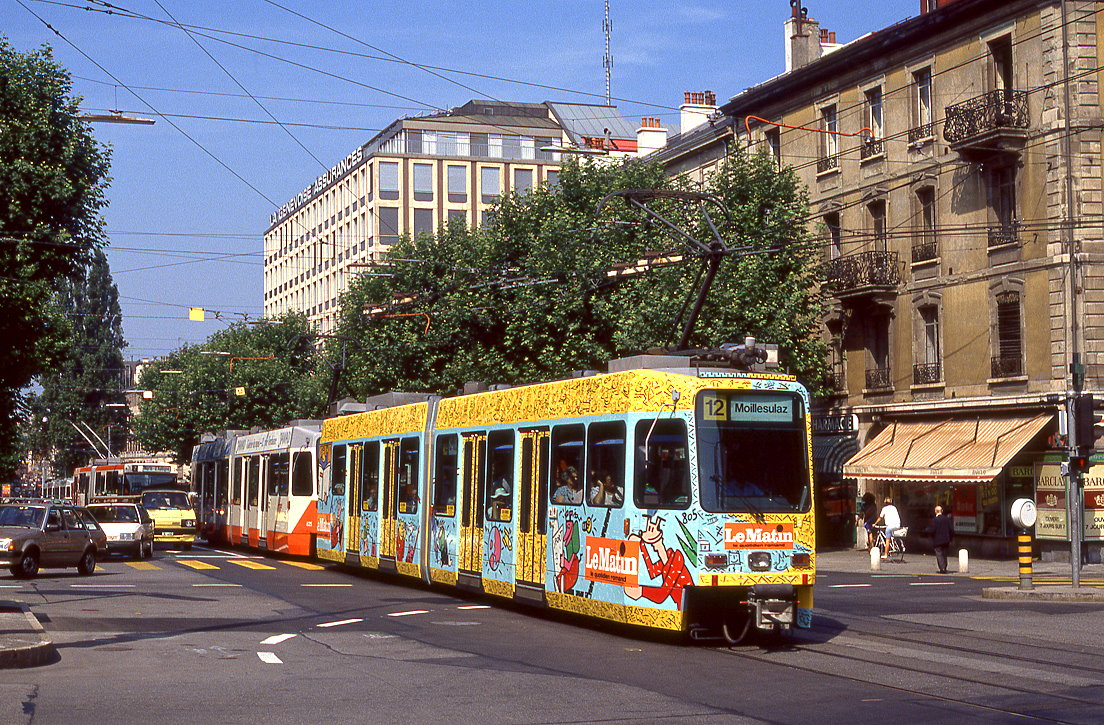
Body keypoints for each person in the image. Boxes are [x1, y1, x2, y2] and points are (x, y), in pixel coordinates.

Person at [931, 504, 954, 574]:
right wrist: (950, 539)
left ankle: (942, 568)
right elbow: (951, 530)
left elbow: (932, 530)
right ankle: (944, 566)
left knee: (939, 555)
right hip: (946, 540)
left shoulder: (935, 520)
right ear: (942, 511)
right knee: (944, 554)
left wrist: (932, 537)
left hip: (937, 540)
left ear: (935, 511)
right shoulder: (947, 519)